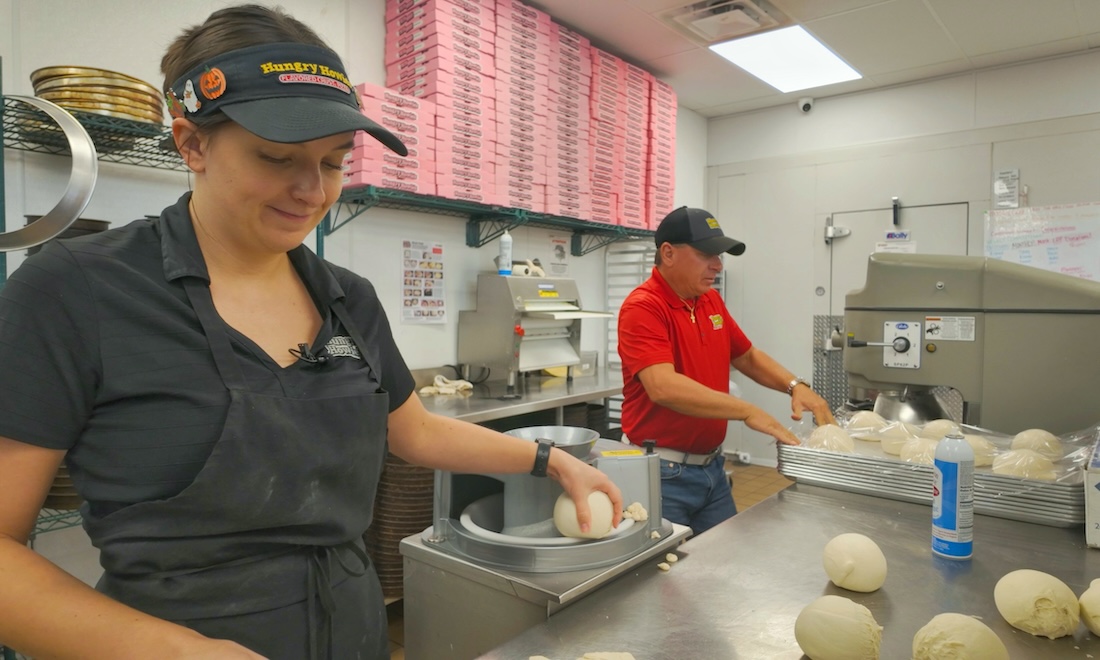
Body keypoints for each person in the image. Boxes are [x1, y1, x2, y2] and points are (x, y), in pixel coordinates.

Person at [0, 6, 621, 659]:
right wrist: (181, 653)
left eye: (332, 162)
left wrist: (551, 462)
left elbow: (414, 430)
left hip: (350, 632)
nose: (309, 190)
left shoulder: (347, 298)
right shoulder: (78, 291)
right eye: (276, 157)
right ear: (191, 144)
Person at [616, 206, 834, 536]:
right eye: (706, 254)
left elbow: (745, 356)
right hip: (661, 474)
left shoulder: (708, 301)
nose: (717, 265)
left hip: (712, 470)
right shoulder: (644, 307)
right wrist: (746, 411)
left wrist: (795, 385)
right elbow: (663, 387)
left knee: (724, 566)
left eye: (719, 256)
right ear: (668, 253)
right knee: (664, 580)